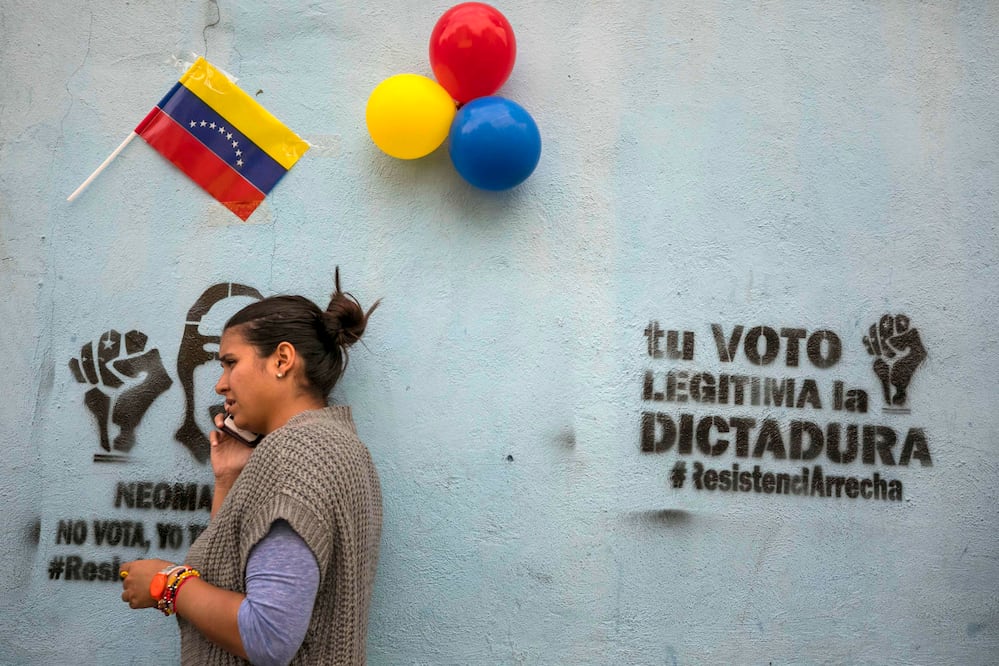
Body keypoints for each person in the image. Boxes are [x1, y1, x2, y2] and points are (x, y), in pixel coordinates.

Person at [120, 270, 382, 665]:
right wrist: (229, 478)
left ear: (282, 360)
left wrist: (167, 585)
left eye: (230, 363)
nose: (220, 385)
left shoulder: (295, 453)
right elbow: (235, 573)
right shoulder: (343, 447)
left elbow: (268, 635)